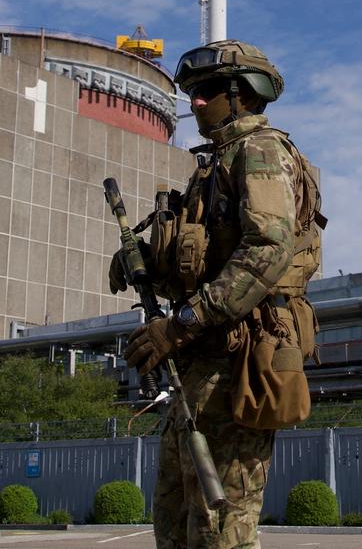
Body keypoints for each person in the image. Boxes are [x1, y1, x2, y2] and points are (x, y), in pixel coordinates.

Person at [109, 39, 323, 549]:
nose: (196, 102)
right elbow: (206, 262)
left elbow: (266, 251)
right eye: (193, 92)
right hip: (202, 364)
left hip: (240, 363)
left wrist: (178, 323)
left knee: (219, 525)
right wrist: (148, 260)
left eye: (207, 91)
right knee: (177, 517)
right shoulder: (216, 166)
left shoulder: (261, 153)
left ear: (243, 94)